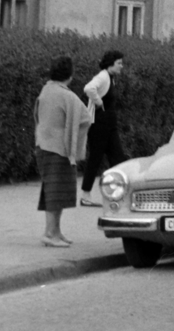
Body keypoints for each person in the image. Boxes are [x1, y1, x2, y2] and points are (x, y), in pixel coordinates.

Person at [34, 55, 91, 247]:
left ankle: (55, 232)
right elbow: (86, 118)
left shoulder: (46, 90)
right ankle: (50, 234)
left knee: (53, 191)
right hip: (59, 149)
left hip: (43, 145)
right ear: (70, 75)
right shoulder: (68, 96)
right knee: (56, 193)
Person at [79, 50, 126, 207]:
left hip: (110, 125)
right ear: (110, 64)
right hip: (99, 125)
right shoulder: (103, 76)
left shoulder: (111, 78)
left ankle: (120, 194)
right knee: (95, 159)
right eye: (119, 63)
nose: (121, 66)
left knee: (118, 159)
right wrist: (98, 102)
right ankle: (86, 196)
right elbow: (88, 88)